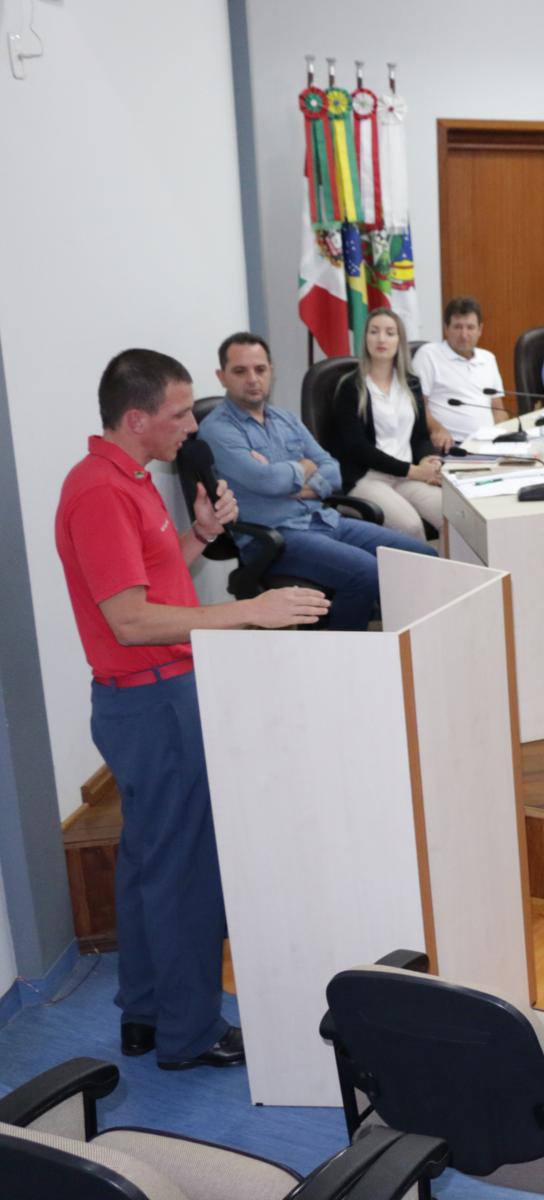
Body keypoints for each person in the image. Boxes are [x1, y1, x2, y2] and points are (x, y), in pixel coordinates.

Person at [55, 350, 331, 1071]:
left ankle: (146, 1015)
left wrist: (200, 538)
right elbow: (132, 621)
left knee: (150, 860)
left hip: (151, 697)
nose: (192, 422)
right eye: (180, 411)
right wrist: (251, 611)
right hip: (153, 701)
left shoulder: (130, 481)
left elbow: (146, 585)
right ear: (137, 417)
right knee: (184, 874)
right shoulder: (100, 493)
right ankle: (190, 1032)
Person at [201, 333, 433, 631]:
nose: (252, 379)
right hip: (276, 538)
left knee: (425, 557)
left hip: (324, 520)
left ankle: (409, 644)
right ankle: (342, 661)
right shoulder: (218, 430)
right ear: (222, 376)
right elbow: (267, 480)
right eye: (239, 371)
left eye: (260, 369)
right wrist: (303, 467)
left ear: (272, 370)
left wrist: (292, 480)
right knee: (367, 575)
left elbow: (332, 470)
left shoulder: (285, 419)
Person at [331, 310, 443, 543]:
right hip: (368, 478)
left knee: (453, 514)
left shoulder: (411, 383)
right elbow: (357, 448)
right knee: (410, 526)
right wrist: (414, 471)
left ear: (399, 341)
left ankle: (460, 576)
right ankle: (419, 580)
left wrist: (428, 460)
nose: (381, 339)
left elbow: (421, 436)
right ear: (366, 340)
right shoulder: (350, 387)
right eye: (374, 332)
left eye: (389, 333)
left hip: (406, 476)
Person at [412, 296, 505, 446]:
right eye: (457, 327)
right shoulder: (429, 354)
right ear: (446, 328)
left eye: (470, 327)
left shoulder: (488, 358)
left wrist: (501, 435)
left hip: (487, 444)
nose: (464, 335)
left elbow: (498, 408)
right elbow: (418, 406)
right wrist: (437, 429)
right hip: (452, 445)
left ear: (480, 329)